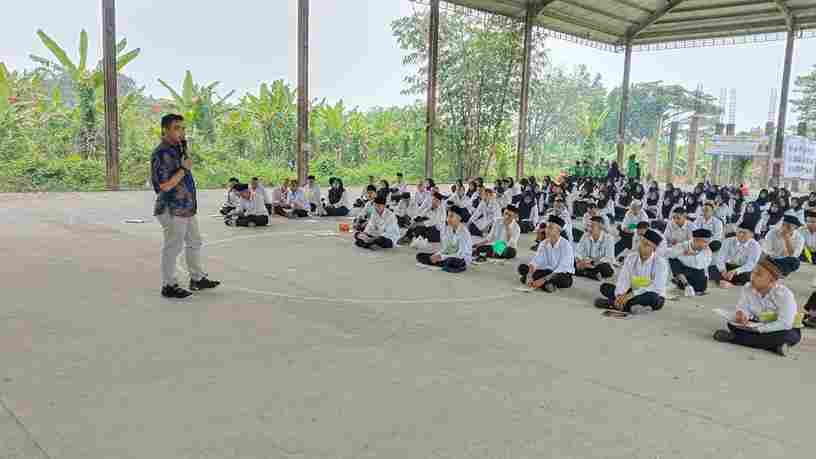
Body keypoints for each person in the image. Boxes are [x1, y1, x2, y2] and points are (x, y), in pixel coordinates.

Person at [150, 114, 219, 299]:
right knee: (173, 247)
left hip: (186, 208)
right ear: (165, 130)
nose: (181, 131)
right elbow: (163, 186)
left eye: (183, 128)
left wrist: (183, 160)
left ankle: (197, 278)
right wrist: (184, 169)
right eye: (177, 128)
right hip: (172, 208)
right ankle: (169, 284)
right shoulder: (162, 153)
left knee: (195, 241)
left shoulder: (178, 149)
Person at [712, 256, 802, 356]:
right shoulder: (747, 288)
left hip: (780, 328)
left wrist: (759, 329)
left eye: (758, 274)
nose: (752, 276)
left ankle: (734, 339)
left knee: (790, 335)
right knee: (732, 325)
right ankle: (775, 346)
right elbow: (743, 307)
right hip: (757, 324)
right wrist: (741, 315)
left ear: (772, 280)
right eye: (753, 272)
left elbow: (785, 323)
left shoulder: (785, 295)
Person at [594, 229, 668, 312]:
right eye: (642, 242)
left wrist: (630, 295)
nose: (642, 245)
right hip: (632, 290)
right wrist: (620, 295)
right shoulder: (631, 257)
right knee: (605, 287)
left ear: (654, 249)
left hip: (650, 293)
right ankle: (630, 306)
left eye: (646, 245)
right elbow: (624, 279)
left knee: (654, 298)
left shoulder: (660, 263)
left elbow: (656, 287)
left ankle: (612, 304)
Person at [518, 215, 575, 293]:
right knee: (523, 268)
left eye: (550, 228)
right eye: (547, 227)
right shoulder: (543, 243)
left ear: (559, 230)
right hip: (546, 271)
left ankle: (546, 283)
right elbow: (536, 261)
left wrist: (542, 280)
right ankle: (547, 285)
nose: (546, 230)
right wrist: (529, 275)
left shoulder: (566, 245)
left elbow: (562, 268)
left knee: (563, 279)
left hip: (560, 274)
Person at [416, 206, 473, 273]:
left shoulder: (464, 232)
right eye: (447, 216)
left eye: (451, 216)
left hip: (461, 259)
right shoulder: (448, 229)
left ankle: (442, 263)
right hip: (448, 255)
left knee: (450, 261)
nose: (448, 219)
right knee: (420, 256)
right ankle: (441, 263)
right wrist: (437, 255)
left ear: (459, 218)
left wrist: (442, 257)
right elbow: (445, 248)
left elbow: (460, 254)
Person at [709, 222, 761, 288]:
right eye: (739, 232)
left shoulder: (756, 246)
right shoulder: (728, 241)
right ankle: (726, 281)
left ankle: (728, 283)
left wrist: (735, 271)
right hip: (727, 267)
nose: (741, 235)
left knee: (749, 276)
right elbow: (720, 258)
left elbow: (750, 264)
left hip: (742, 269)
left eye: (744, 233)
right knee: (711, 269)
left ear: (751, 234)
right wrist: (722, 270)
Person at [667, 228, 713, 297]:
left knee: (700, 287)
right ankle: (686, 284)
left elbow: (699, 265)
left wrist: (691, 254)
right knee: (673, 260)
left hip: (696, 275)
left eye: (708, 242)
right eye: (705, 242)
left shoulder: (707, 250)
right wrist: (682, 253)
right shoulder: (683, 245)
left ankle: (687, 286)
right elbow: (668, 254)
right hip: (683, 277)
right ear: (696, 240)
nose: (707, 244)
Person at [575, 216, 615, 281]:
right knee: (571, 263)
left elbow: (609, 257)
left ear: (600, 226)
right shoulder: (585, 235)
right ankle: (592, 274)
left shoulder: (609, 238)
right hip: (585, 262)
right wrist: (579, 261)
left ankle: (586, 272)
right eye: (588, 226)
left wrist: (592, 263)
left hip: (599, 264)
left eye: (592, 226)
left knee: (607, 270)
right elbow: (578, 251)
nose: (589, 229)